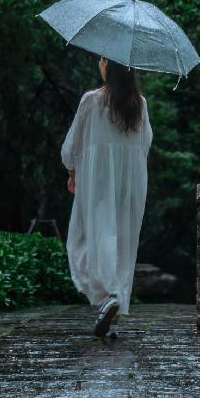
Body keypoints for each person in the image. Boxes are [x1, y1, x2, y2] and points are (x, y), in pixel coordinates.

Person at [61, 56, 152, 337]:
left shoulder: (92, 100)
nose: (99, 62)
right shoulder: (140, 104)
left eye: (102, 59)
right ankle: (111, 303)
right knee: (121, 239)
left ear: (108, 66)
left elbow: (72, 144)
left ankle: (106, 296)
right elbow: (145, 143)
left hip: (97, 180)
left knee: (88, 238)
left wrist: (72, 170)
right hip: (130, 184)